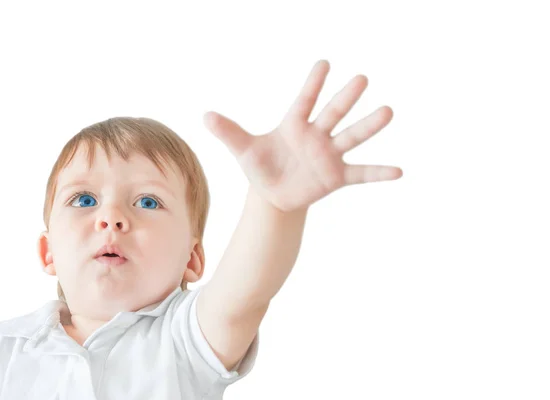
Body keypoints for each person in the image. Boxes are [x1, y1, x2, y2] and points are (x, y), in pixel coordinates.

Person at [0, 59, 402, 399]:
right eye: (84, 200)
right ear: (47, 252)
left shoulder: (186, 338)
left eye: (147, 201)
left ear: (192, 259)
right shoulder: (9, 348)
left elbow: (245, 293)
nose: (112, 218)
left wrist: (274, 205)